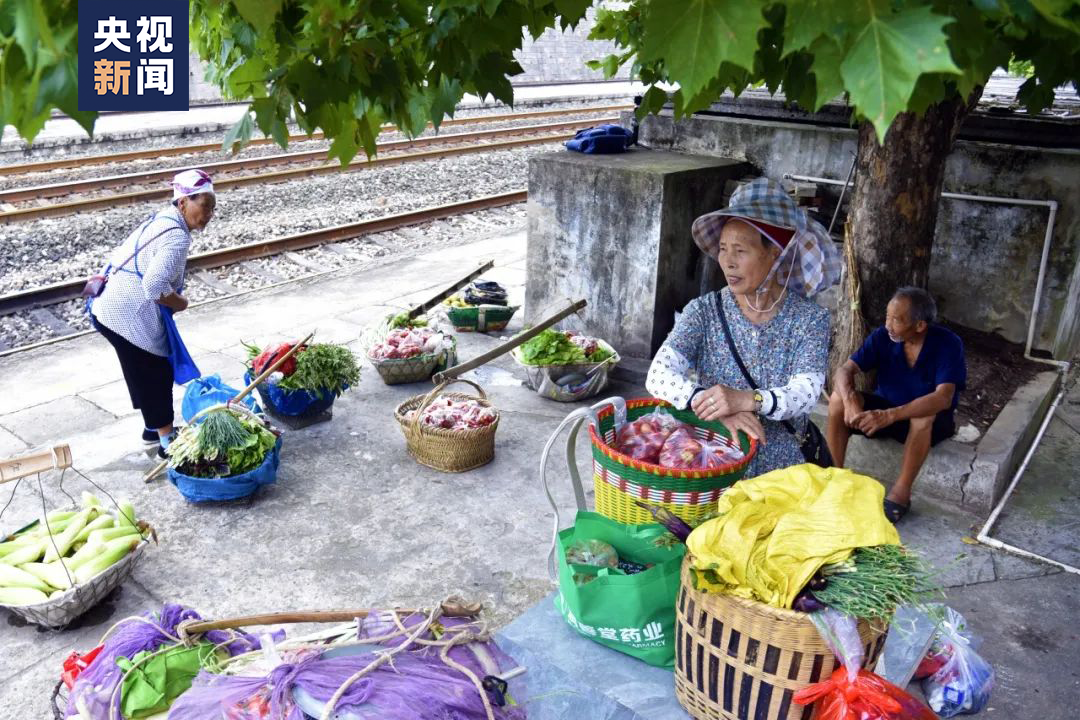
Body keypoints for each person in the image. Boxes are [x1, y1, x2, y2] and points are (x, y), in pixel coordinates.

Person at [646, 178, 842, 478]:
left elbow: (806, 392)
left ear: (774, 253)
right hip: (714, 466)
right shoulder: (704, 311)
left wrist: (748, 399)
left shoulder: (809, 319)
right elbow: (659, 375)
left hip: (783, 475)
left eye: (740, 250)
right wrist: (719, 407)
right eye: (723, 249)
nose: (728, 262)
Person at [89, 169, 216, 458]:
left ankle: (152, 427)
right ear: (183, 202)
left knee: (139, 368)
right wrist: (179, 302)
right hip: (126, 314)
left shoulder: (164, 217)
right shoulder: (177, 238)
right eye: (204, 205)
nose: (208, 213)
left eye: (212, 207)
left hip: (107, 306)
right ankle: (167, 442)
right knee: (155, 372)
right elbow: (155, 286)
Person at [827, 287, 966, 522]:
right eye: (887, 317)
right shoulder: (884, 336)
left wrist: (891, 415)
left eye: (896, 320)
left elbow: (943, 397)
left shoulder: (948, 344)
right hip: (886, 412)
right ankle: (832, 478)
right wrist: (850, 401)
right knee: (838, 398)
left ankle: (900, 494)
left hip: (930, 422)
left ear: (920, 326)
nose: (888, 325)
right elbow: (844, 370)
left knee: (924, 415)